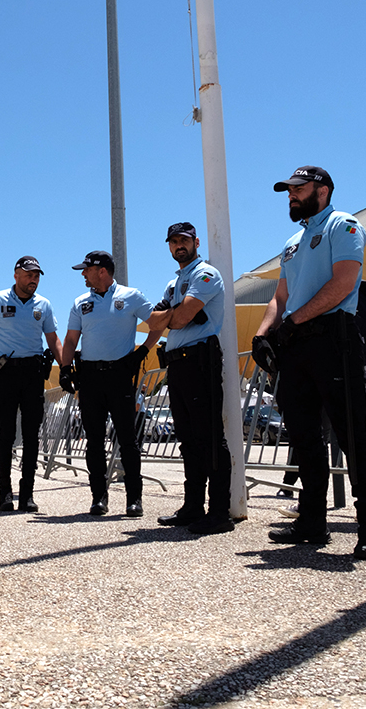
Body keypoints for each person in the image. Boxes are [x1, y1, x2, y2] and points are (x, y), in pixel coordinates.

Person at [253, 166, 366, 560]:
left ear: (323, 190)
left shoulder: (342, 225)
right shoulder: (293, 242)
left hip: (333, 338)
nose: (291, 196)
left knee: (350, 434)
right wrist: (263, 333)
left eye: (298, 189)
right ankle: (311, 522)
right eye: (288, 191)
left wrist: (295, 320)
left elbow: (345, 282)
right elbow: (281, 295)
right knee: (305, 438)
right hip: (295, 345)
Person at [146, 222, 233, 535]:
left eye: (184, 240)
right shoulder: (175, 283)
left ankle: (219, 511)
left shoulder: (204, 274)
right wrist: (176, 314)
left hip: (200, 361)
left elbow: (178, 318)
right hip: (178, 366)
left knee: (209, 438)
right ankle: (193, 506)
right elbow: (154, 321)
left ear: (196, 242)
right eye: (173, 242)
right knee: (187, 441)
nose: (178, 246)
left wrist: (176, 315)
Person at [60, 250, 159, 517]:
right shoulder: (81, 302)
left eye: (86, 270)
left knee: (127, 439)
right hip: (90, 376)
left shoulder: (131, 296)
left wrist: (141, 352)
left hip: (119, 374)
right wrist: (65, 369)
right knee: (93, 440)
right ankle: (98, 498)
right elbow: (70, 340)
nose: (83, 274)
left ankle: (134, 499)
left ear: (102, 271)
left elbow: (158, 325)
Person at [0, 256, 63, 512]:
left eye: (37, 275)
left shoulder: (43, 305)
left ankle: (27, 493)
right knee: (7, 434)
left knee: (33, 434)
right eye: (29, 274)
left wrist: (65, 366)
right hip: (6, 373)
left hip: (33, 373)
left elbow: (53, 339)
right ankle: (5, 493)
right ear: (16, 275)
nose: (33, 279)